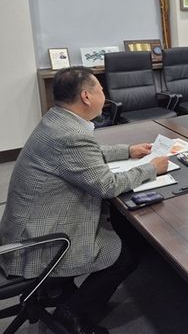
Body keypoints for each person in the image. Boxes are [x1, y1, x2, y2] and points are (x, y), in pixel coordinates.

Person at [0, 67, 169, 334]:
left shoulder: (56, 119)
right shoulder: (71, 135)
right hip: (39, 241)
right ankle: (71, 312)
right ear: (86, 96)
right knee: (125, 257)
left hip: (24, 226)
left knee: (122, 229)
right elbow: (107, 186)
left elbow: (86, 154)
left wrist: (127, 150)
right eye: (101, 90)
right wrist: (151, 168)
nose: (105, 95)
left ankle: (67, 292)